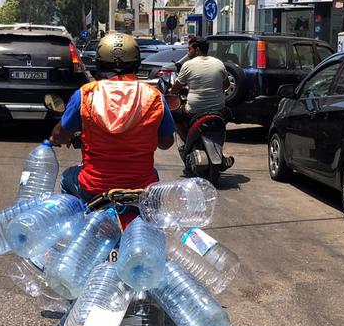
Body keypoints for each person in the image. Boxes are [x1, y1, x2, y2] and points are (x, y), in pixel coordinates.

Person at [50, 32, 176, 202]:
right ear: (137, 62)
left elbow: (61, 135)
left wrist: (56, 137)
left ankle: (77, 224)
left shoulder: (86, 94)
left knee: (66, 178)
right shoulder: (154, 96)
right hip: (141, 189)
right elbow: (166, 143)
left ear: (99, 63)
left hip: (93, 188)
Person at [169, 37, 230, 140]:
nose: (188, 53)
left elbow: (177, 87)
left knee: (174, 116)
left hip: (195, 109)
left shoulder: (188, 65)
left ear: (197, 50)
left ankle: (186, 142)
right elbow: (226, 85)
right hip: (218, 109)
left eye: (189, 49)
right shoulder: (219, 63)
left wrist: (171, 91)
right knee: (229, 113)